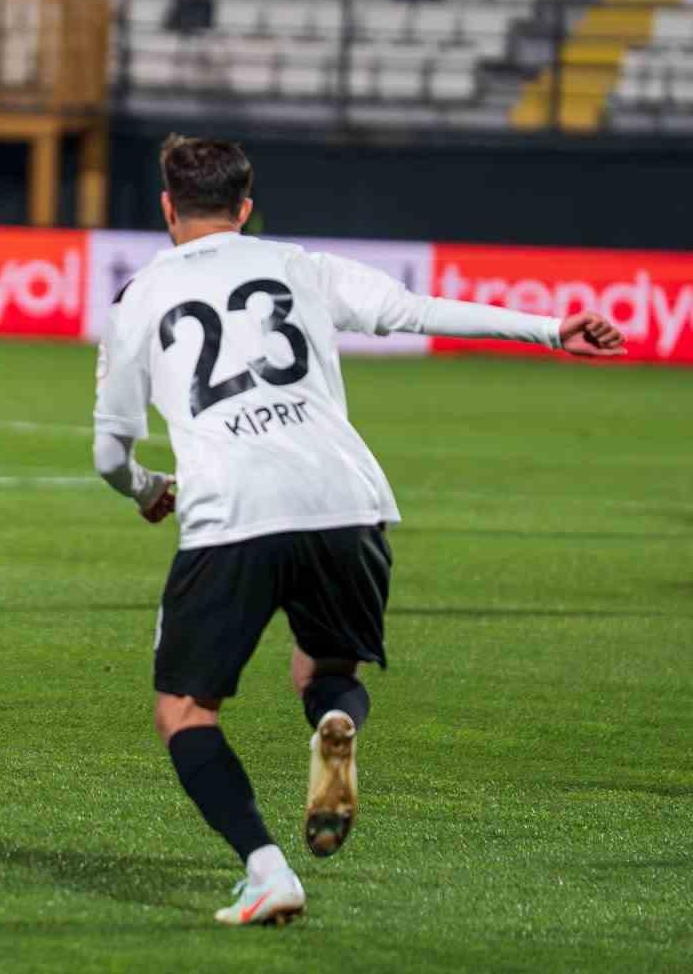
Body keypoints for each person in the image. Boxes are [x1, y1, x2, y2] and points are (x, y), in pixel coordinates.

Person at [92, 134, 625, 926]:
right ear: (246, 208)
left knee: (185, 711)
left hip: (235, 508)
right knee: (323, 671)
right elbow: (417, 310)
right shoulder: (301, 267)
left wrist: (146, 489)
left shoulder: (139, 297)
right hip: (348, 496)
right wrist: (550, 330)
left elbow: (110, 451)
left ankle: (267, 868)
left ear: (168, 209)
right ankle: (336, 723)